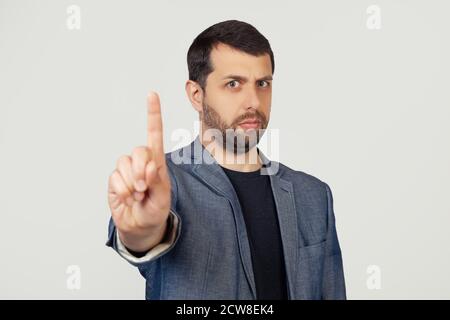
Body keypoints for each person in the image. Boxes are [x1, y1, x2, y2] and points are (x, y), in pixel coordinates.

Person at [106, 20, 346, 300]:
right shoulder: (163, 183)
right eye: (233, 84)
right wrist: (144, 230)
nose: (253, 101)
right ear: (197, 95)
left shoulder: (314, 196)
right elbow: (140, 239)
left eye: (263, 84)